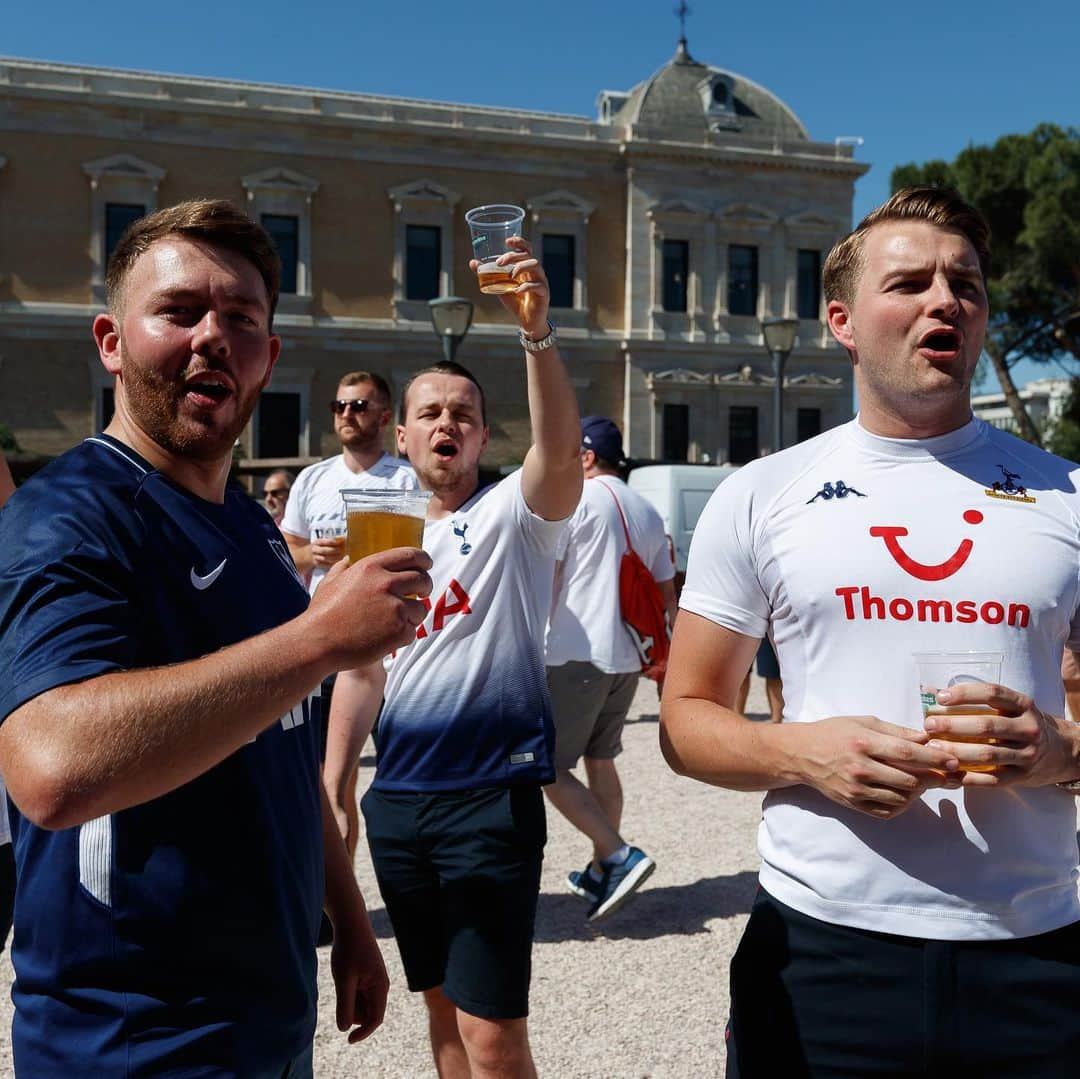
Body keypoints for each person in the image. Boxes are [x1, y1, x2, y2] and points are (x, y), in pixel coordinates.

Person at [0, 200, 433, 1076]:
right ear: (111, 342)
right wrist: (317, 641)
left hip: (265, 1021)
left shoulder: (247, 523)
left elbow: (279, 744)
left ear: (268, 357)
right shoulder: (71, 514)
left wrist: (346, 919)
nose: (213, 337)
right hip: (129, 1037)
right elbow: (50, 767)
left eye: (241, 319)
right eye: (179, 311)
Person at [661, 187, 1080, 1076]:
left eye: (964, 284)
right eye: (912, 282)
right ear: (842, 321)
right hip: (824, 955)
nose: (944, 301)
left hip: (1040, 954)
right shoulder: (762, 493)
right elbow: (685, 717)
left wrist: (1053, 750)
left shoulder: (1067, 495)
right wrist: (801, 753)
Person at [339, 234, 581, 1078]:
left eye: (464, 414)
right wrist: (338, 782)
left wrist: (536, 335)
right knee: (440, 1019)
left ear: (482, 438)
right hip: (400, 801)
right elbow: (363, 665)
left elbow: (557, 453)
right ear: (401, 435)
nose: (448, 422)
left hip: (488, 799)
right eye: (430, 413)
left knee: (491, 1033)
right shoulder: (388, 537)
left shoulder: (516, 518)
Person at [281, 371, 417, 860]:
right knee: (323, 780)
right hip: (325, 642)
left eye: (358, 406)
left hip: (389, 648)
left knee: (367, 780)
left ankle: (349, 899)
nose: (346, 414)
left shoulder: (405, 478)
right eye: (340, 406)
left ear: (383, 417)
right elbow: (288, 550)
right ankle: (331, 898)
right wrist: (309, 557)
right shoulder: (313, 479)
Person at [544, 415, 673, 920]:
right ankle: (602, 868)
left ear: (587, 457)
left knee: (544, 766)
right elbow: (667, 592)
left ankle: (619, 853)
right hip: (627, 658)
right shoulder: (646, 508)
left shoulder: (577, 499)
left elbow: (550, 578)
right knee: (602, 759)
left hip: (577, 651)